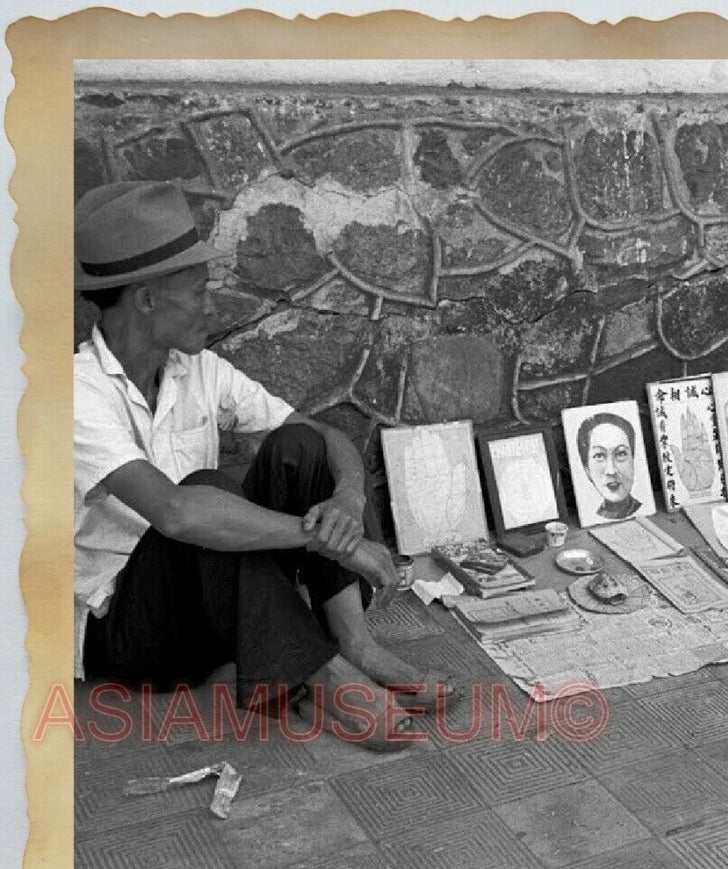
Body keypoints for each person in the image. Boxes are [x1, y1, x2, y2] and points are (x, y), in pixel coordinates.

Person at [73, 181, 450, 750]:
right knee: (201, 497)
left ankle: (355, 642)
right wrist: (337, 544)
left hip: (209, 611)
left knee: (297, 446)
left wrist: (348, 498)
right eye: (199, 292)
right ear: (147, 300)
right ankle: (326, 678)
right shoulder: (77, 393)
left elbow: (321, 435)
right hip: (129, 631)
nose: (212, 306)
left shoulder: (196, 369)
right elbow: (175, 514)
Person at [575, 411, 642, 520]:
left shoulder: (644, 509)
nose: (611, 471)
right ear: (586, 468)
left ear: (633, 459)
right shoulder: (591, 516)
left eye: (621, 454)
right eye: (599, 456)